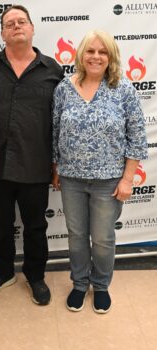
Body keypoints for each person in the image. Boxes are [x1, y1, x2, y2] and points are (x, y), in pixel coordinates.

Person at [52, 30, 148, 313]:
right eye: (90, 51)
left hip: (109, 181)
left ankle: (101, 285)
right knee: (76, 235)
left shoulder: (124, 90)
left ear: (111, 57)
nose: (96, 56)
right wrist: (55, 167)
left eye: (102, 52)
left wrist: (128, 178)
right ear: (81, 55)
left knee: (103, 238)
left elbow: (137, 136)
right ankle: (80, 284)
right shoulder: (63, 89)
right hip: (71, 178)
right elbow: (55, 130)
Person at [0, 5, 63, 305]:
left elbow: (59, 121)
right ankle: (3, 273)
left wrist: (57, 162)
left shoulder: (52, 69)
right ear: (2, 32)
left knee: (36, 226)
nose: (16, 26)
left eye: (21, 21)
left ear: (32, 28)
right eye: (9, 23)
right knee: (0, 226)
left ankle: (35, 276)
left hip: (35, 165)